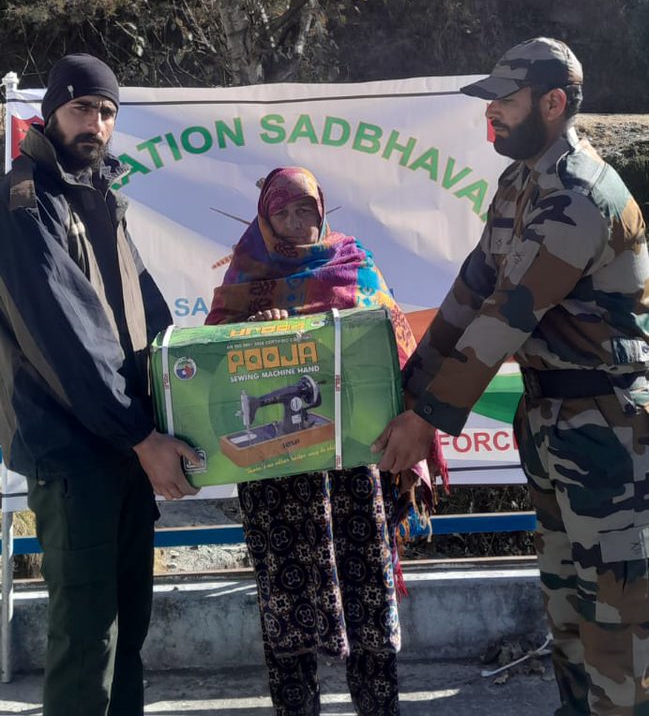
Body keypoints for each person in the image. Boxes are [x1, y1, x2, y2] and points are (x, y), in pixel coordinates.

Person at [375, 38, 649, 716]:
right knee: (565, 606)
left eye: (504, 100)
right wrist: (408, 394)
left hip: (608, 433)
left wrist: (426, 420)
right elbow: (470, 291)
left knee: (617, 623)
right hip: (555, 424)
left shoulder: (580, 195)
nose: (489, 114)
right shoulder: (521, 182)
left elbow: (508, 315)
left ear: (552, 103)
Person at [0, 53, 200, 716]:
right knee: (88, 642)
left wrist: (178, 402)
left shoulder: (99, 197)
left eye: (108, 112)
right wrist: (140, 433)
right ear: (52, 111)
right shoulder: (26, 203)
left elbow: (144, 321)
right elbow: (66, 341)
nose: (97, 123)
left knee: (127, 637)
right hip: (73, 452)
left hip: (121, 448)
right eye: (83, 108)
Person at [207, 166, 446, 716]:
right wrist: (255, 331)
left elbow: (397, 342)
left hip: (356, 471)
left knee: (368, 602)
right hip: (277, 476)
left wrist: (353, 324)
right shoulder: (246, 273)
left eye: (305, 213)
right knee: (288, 611)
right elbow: (213, 366)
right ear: (265, 217)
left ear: (322, 215)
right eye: (283, 213)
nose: (294, 225)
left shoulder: (353, 264)